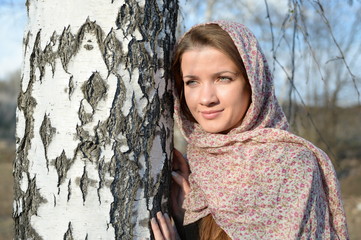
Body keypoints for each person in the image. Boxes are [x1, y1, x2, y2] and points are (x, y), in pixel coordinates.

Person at [151, 21, 349, 239]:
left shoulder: (291, 164)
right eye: (192, 82)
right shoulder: (194, 168)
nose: (206, 98)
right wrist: (185, 220)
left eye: (223, 78)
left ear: (253, 82)